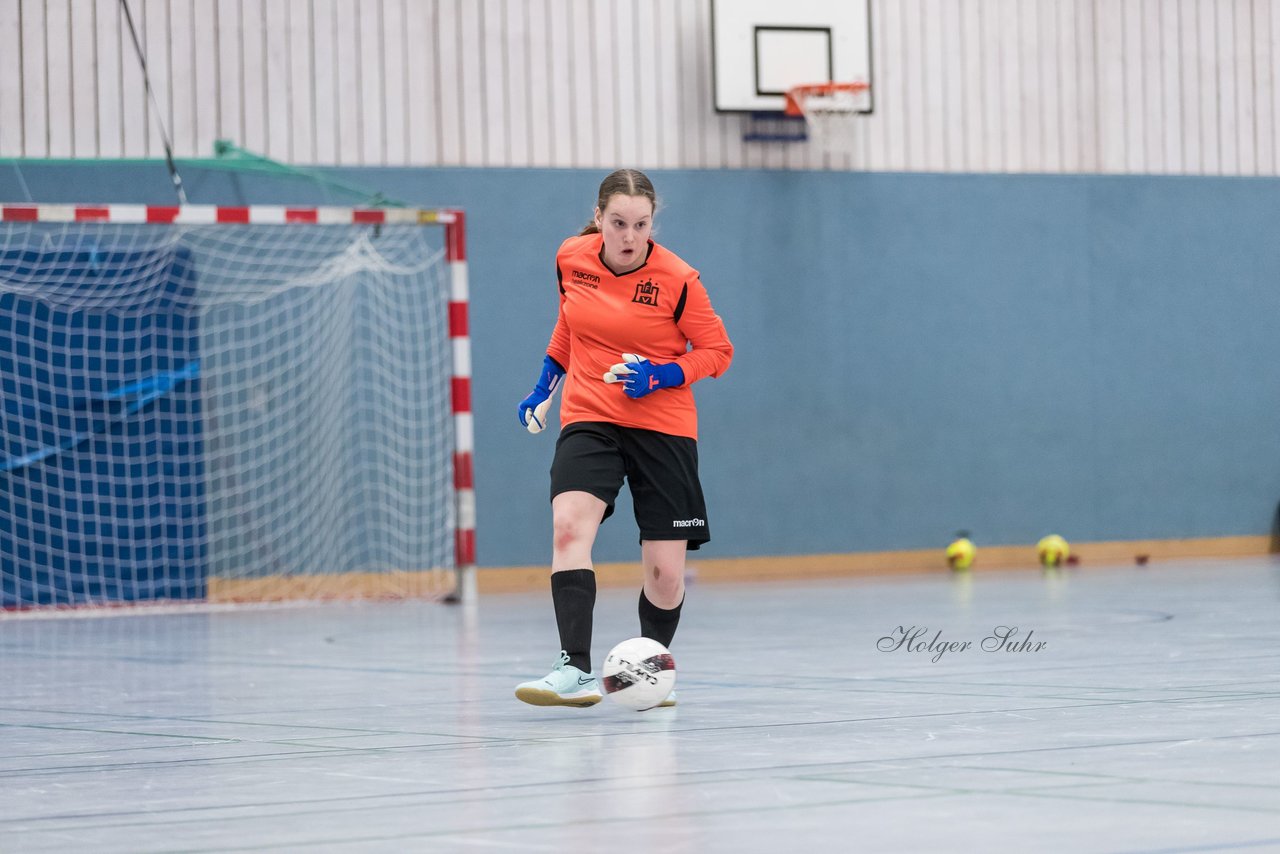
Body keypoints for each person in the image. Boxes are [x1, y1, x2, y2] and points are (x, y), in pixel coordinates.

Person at [514, 168, 734, 707]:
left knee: (664, 573)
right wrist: (546, 380)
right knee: (568, 527)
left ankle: (649, 675)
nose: (630, 236)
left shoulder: (680, 279)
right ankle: (573, 669)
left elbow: (717, 351)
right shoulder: (572, 258)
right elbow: (570, 322)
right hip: (591, 414)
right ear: (599, 220)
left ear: (652, 223)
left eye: (641, 224)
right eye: (619, 223)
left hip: (664, 427)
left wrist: (663, 374)